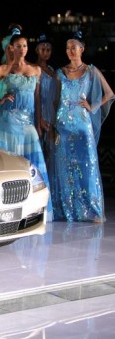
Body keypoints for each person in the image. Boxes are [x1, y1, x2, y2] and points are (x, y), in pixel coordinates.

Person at [0, 26, 52, 219]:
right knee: (9, 162)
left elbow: (37, 99)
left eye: (25, 46)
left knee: (31, 164)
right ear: (11, 48)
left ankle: (32, 206)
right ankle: (7, 206)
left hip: (28, 122)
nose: (22, 49)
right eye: (18, 46)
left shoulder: (36, 69)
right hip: (8, 121)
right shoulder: (4, 69)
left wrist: (38, 123)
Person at [52, 30, 114, 223]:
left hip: (82, 125)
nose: (70, 51)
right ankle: (69, 209)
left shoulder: (91, 71)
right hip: (63, 125)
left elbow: (110, 94)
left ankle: (92, 210)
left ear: (82, 49)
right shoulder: (60, 73)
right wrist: (53, 126)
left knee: (87, 165)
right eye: (68, 48)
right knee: (65, 167)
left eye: (74, 47)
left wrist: (92, 106)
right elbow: (54, 101)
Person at [0, 24, 21, 132]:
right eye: (9, 48)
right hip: (2, 114)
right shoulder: (2, 69)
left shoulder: (25, 68)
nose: (12, 50)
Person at [34, 33, 58, 159]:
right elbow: (35, 96)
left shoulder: (52, 69)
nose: (46, 52)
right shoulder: (34, 69)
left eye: (48, 50)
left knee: (51, 150)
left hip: (51, 112)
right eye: (42, 49)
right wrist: (39, 119)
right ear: (37, 50)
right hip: (40, 111)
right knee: (40, 148)